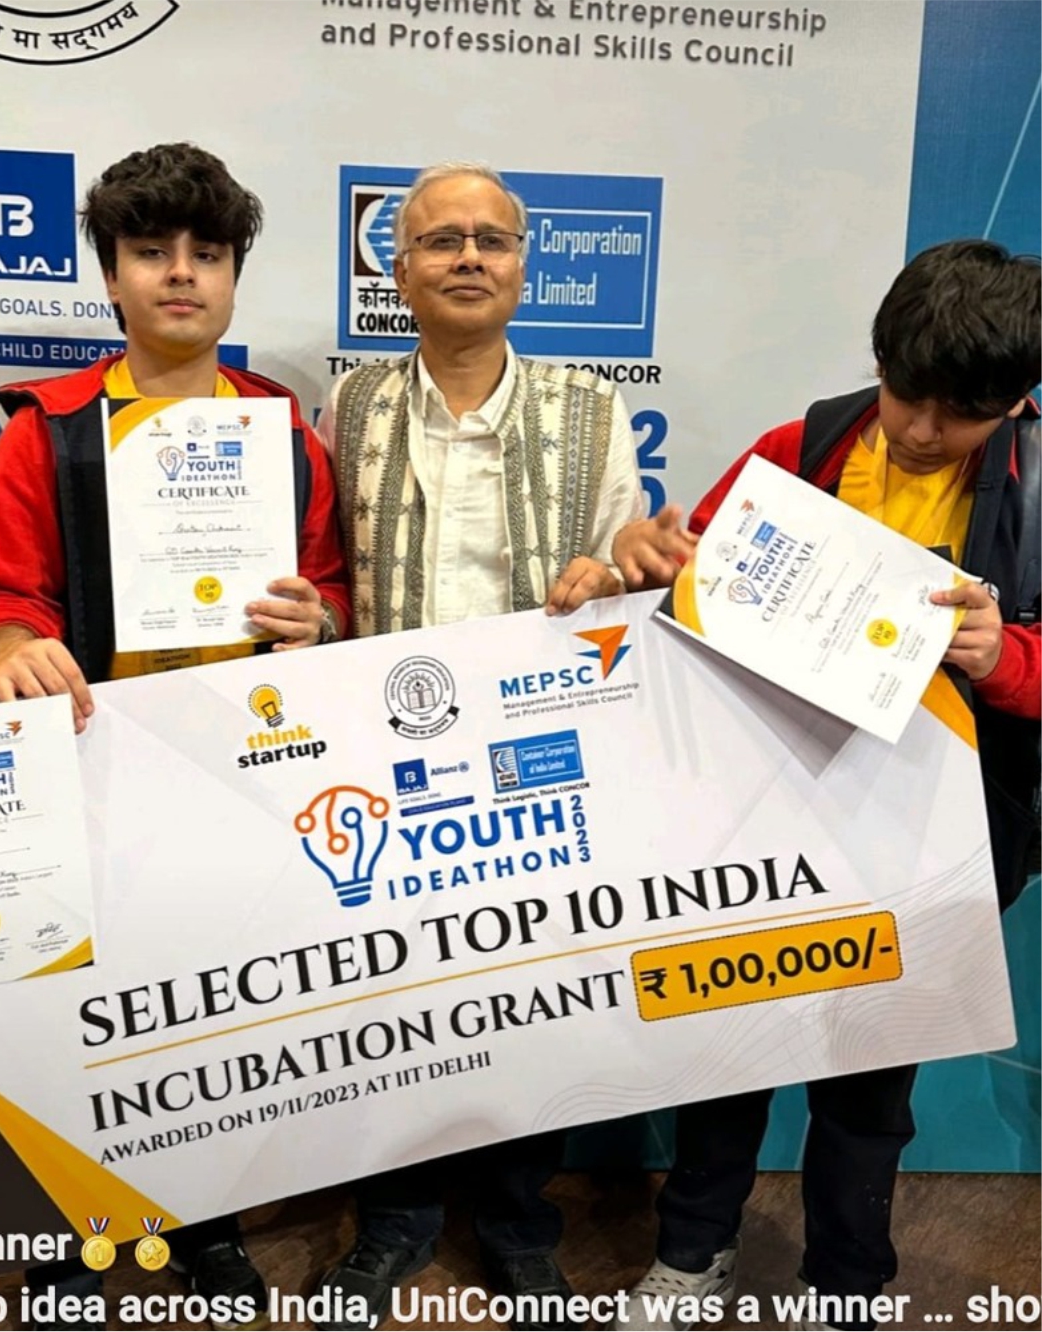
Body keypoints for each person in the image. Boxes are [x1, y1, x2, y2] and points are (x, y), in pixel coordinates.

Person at [609, 239, 1041, 1332]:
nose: (923, 431)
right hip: (761, 817)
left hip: (927, 835)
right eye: (907, 395)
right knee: (727, 1054)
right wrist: (649, 561)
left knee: (869, 1085)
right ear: (880, 359)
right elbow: (682, 588)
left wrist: (1007, 658)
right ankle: (691, 1256)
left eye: (961, 415)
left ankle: (846, 1286)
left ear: (1014, 402)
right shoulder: (798, 449)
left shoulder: (1037, 494)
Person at [0, 142, 350, 1331]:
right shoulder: (48, 431)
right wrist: (11, 641)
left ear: (233, 278)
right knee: (64, 1020)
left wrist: (317, 621)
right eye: (150, 252)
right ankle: (70, 1241)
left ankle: (206, 1225)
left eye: (207, 254)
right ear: (111, 277)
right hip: (85, 771)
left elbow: (331, 594)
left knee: (216, 1013)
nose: (181, 274)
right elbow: (3, 591)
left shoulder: (285, 435)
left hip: (235, 776)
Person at [314, 160, 645, 1332]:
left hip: (536, 760)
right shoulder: (348, 407)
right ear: (398, 271)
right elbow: (325, 574)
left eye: (491, 239)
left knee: (532, 1000)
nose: (467, 257)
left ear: (522, 266)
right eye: (440, 239)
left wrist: (610, 576)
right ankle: (395, 1218)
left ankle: (516, 1224)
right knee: (388, 996)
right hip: (379, 753)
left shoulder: (590, 408)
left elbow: (625, 577)